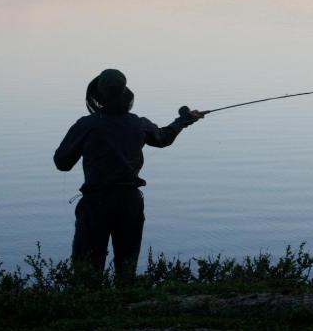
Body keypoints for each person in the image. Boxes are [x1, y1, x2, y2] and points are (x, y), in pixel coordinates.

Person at [53, 68, 203, 280]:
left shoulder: (86, 125)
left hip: (95, 204)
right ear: (125, 96)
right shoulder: (139, 124)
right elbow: (163, 138)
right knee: (127, 267)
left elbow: (62, 163)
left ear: (98, 97)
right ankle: (127, 307)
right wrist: (184, 121)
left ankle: (88, 308)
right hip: (130, 203)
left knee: (86, 270)